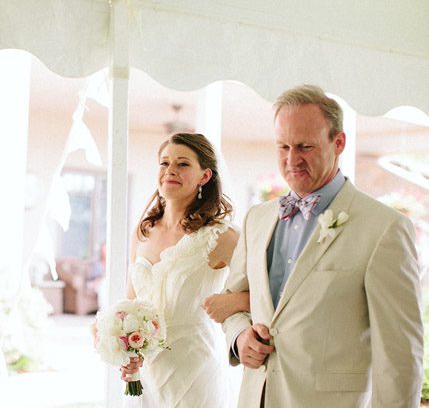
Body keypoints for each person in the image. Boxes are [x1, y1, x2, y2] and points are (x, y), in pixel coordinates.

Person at [213, 84, 423, 408]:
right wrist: (240, 337)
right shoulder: (256, 219)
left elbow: (399, 355)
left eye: (304, 146)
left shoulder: (385, 229)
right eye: (282, 146)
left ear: (338, 142)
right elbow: (234, 302)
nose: (291, 159)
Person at [121, 133, 248, 408]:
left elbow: (265, 291)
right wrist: (125, 348)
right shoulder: (142, 232)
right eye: (164, 163)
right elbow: (129, 305)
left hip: (195, 376)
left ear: (205, 176)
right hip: (147, 377)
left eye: (182, 164)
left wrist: (233, 302)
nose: (170, 171)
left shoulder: (221, 237)